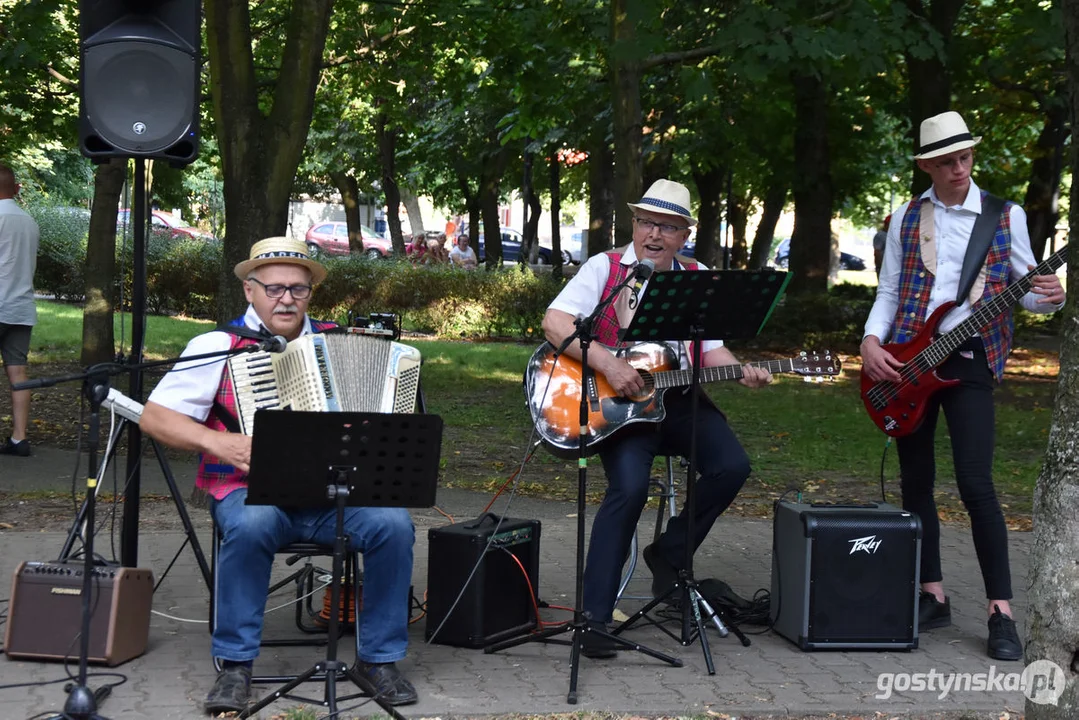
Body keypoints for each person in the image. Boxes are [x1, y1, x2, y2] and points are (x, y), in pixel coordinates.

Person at [139, 237, 418, 714]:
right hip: (250, 493)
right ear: (250, 291)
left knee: (394, 525)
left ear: (310, 293)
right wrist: (215, 441)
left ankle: (378, 660)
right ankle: (236, 666)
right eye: (273, 289)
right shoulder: (217, 346)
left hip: (336, 495)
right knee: (251, 526)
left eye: (297, 289)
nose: (286, 298)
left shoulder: (339, 342)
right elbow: (155, 418)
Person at [860, 111, 1066, 662]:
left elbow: (1026, 289)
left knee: (977, 484)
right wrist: (870, 342)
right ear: (925, 164)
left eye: (965, 157)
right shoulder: (906, 217)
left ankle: (1001, 611)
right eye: (946, 160)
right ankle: (933, 594)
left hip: (971, 360)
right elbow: (888, 291)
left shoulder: (1004, 214)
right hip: (908, 358)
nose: (958, 168)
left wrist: (1052, 295)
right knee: (915, 482)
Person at [541, 179, 772, 658]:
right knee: (627, 491)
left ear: (684, 235)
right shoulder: (604, 268)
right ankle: (595, 620)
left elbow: (710, 351)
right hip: (622, 408)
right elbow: (555, 322)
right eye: (647, 222)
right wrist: (608, 363)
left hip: (680, 398)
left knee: (733, 466)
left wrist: (745, 369)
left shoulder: (696, 273)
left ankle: (669, 550)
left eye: (667, 227)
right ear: (635, 224)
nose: (654, 234)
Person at [0, 164, 40, 457]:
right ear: (16, 188)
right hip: (21, 307)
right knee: (18, 372)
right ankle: (19, 438)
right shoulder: (29, 222)